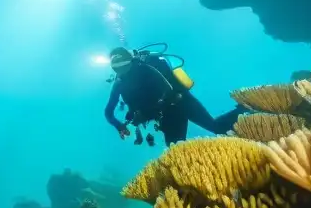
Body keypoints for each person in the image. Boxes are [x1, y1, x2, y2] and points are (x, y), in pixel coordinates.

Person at [103, 44, 243, 147]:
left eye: (127, 69)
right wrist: (119, 125)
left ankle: (245, 108)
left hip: (182, 101)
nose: (126, 75)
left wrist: (146, 113)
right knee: (176, 151)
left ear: (132, 62)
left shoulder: (146, 68)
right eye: (121, 72)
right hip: (167, 113)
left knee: (216, 127)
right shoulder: (119, 84)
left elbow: (169, 90)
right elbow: (108, 112)